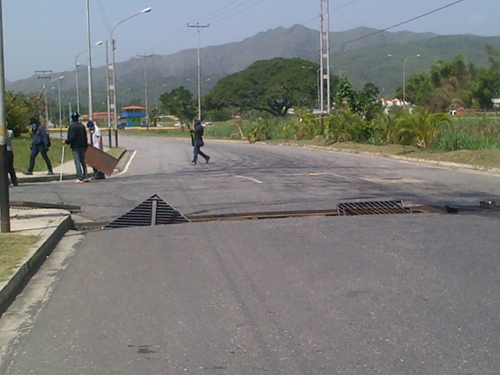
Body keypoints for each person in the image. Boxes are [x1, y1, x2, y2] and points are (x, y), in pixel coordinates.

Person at [63, 112, 88, 183]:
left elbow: (71, 138)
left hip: (75, 146)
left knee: (77, 162)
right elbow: (85, 137)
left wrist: (66, 142)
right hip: (83, 146)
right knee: (83, 161)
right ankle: (86, 176)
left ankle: (80, 177)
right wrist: (86, 145)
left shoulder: (72, 127)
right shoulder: (82, 126)